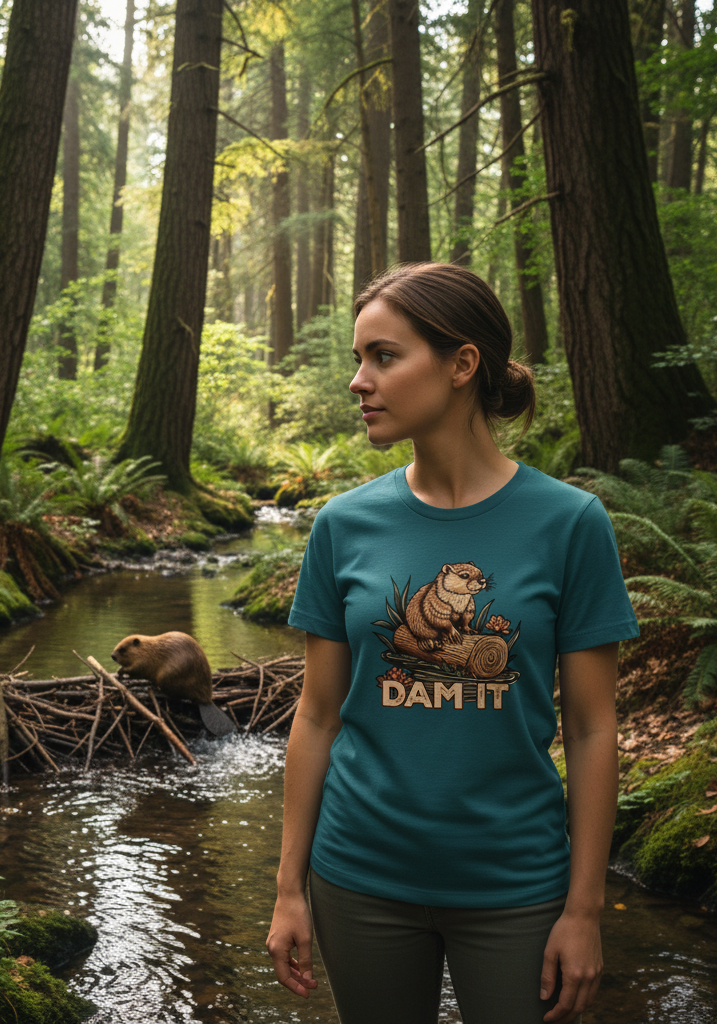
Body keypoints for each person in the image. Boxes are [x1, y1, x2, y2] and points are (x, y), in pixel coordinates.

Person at [266, 262, 638, 1024]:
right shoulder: (342, 524)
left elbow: (595, 728)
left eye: (384, 356)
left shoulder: (570, 523)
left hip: (517, 886)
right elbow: (317, 715)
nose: (358, 381)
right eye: (357, 358)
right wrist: (287, 889)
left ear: (463, 364)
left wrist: (585, 908)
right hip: (359, 877)